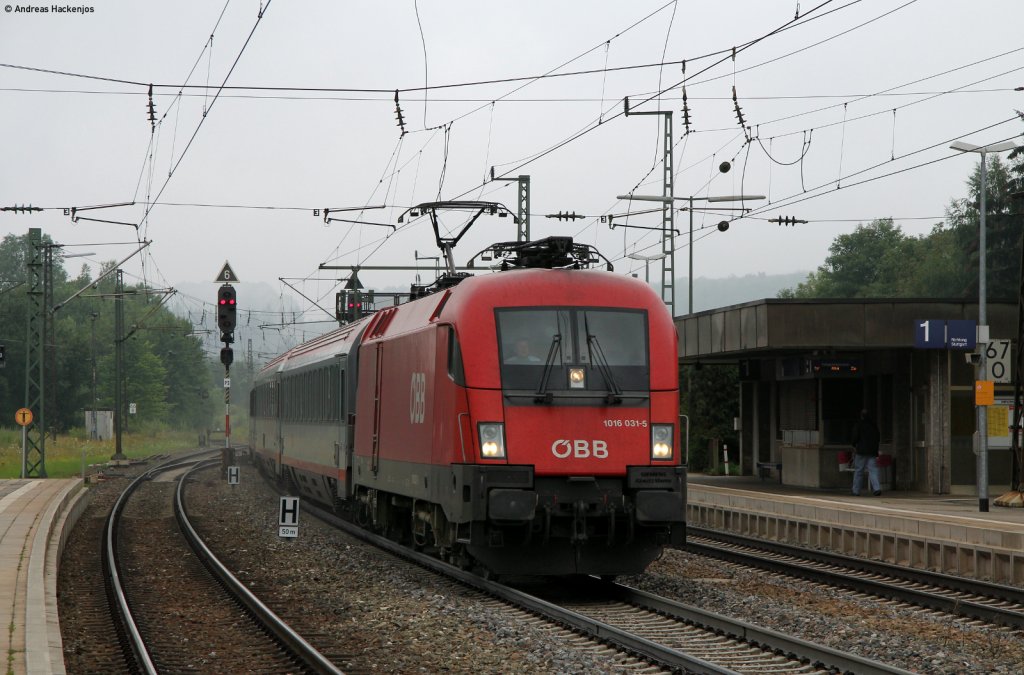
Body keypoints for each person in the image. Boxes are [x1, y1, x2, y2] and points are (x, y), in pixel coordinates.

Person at [850, 409, 882, 496]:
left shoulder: (859, 424)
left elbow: (855, 436)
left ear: (861, 416)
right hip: (872, 451)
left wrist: (853, 444)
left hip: (861, 451)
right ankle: (877, 488)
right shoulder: (874, 425)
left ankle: (856, 490)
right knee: (873, 470)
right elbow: (878, 437)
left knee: (859, 470)